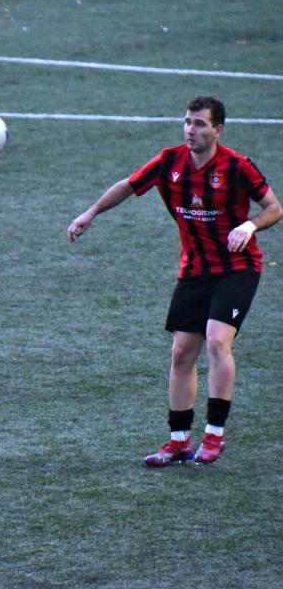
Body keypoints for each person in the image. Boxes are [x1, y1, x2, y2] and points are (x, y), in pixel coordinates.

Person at [68, 96, 281, 466]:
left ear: (218, 130)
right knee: (181, 352)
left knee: (217, 341)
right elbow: (129, 184)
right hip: (195, 270)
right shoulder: (170, 161)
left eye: (199, 124)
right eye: (187, 122)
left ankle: (214, 436)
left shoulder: (237, 166)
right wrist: (91, 212)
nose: (190, 130)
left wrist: (249, 226)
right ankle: (179, 441)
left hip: (237, 268)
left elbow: (274, 208)